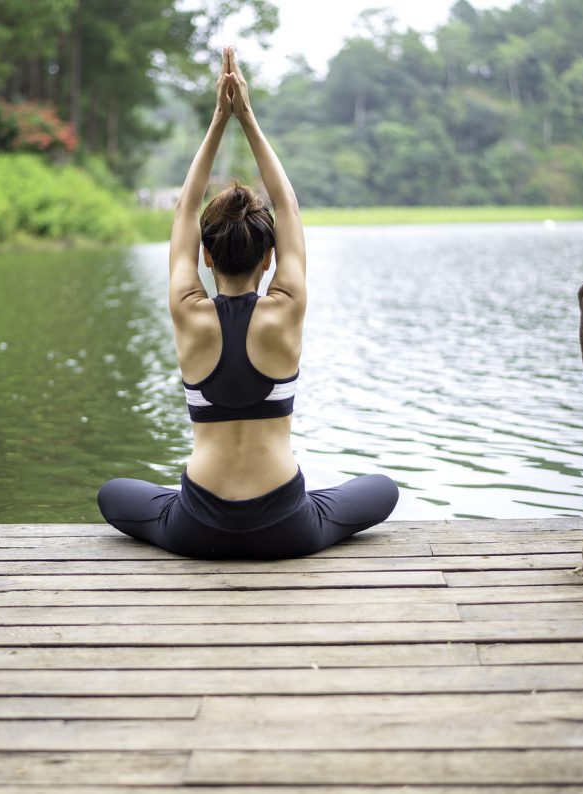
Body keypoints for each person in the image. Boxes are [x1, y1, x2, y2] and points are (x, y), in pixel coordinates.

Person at [97, 46, 398, 559]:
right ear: (271, 256)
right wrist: (248, 118)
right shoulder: (286, 306)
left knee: (113, 494)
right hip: (287, 527)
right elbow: (288, 206)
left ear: (206, 258)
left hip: (197, 527)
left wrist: (219, 119)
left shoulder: (187, 310)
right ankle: (311, 506)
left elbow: (184, 210)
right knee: (382, 489)